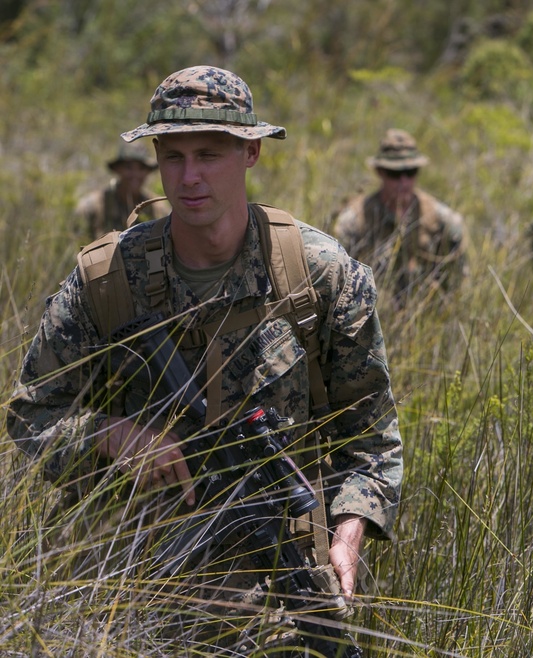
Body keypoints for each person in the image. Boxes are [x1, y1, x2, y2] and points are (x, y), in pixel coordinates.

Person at [8, 65, 403, 654]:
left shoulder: (319, 276)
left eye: (210, 154)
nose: (189, 177)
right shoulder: (108, 280)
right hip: (129, 579)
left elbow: (370, 438)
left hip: (280, 575)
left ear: (251, 153)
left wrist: (347, 536)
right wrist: (112, 435)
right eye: (173, 156)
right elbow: (30, 417)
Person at [331, 129, 467, 308]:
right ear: (380, 172)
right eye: (395, 174)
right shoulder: (354, 221)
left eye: (411, 172)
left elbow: (458, 281)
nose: (404, 182)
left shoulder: (443, 220)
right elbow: (336, 282)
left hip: (426, 312)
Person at [75, 141, 171, 236]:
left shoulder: (157, 208)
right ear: (117, 169)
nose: (135, 174)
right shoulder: (92, 206)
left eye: (141, 168)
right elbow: (77, 241)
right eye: (128, 167)